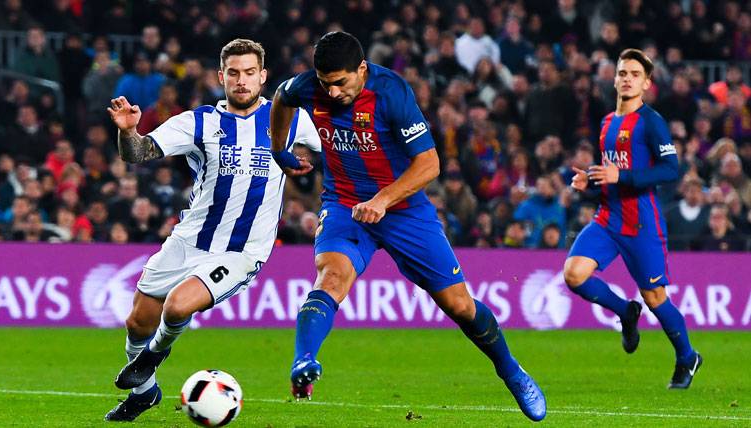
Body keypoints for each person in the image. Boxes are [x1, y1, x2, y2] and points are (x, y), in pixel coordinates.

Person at [269, 31, 545, 421]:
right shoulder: (308, 87)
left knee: (459, 305)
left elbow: (430, 164)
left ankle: (511, 371)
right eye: (325, 83)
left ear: (361, 69)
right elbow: (281, 98)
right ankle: (304, 362)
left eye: (341, 83)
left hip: (403, 208)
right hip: (345, 205)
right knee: (331, 277)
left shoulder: (391, 92)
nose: (332, 92)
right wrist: (278, 149)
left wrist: (382, 200)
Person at [103, 38, 320, 422]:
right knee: (138, 320)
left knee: (177, 305)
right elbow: (138, 153)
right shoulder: (198, 122)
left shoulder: (292, 119)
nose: (242, 81)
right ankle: (144, 392)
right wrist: (127, 132)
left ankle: (155, 354)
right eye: (234, 73)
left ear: (263, 76)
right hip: (190, 239)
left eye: (249, 73)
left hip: (241, 251)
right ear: (221, 77)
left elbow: (335, 146)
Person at [565, 49, 702, 389]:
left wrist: (620, 176)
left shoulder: (651, 122)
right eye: (623, 73)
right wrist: (590, 181)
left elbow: (670, 169)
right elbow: (610, 172)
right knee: (573, 274)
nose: (627, 79)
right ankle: (625, 312)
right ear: (614, 79)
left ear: (647, 83)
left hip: (641, 224)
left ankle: (687, 356)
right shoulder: (606, 123)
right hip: (607, 218)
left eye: (635, 74)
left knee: (655, 298)